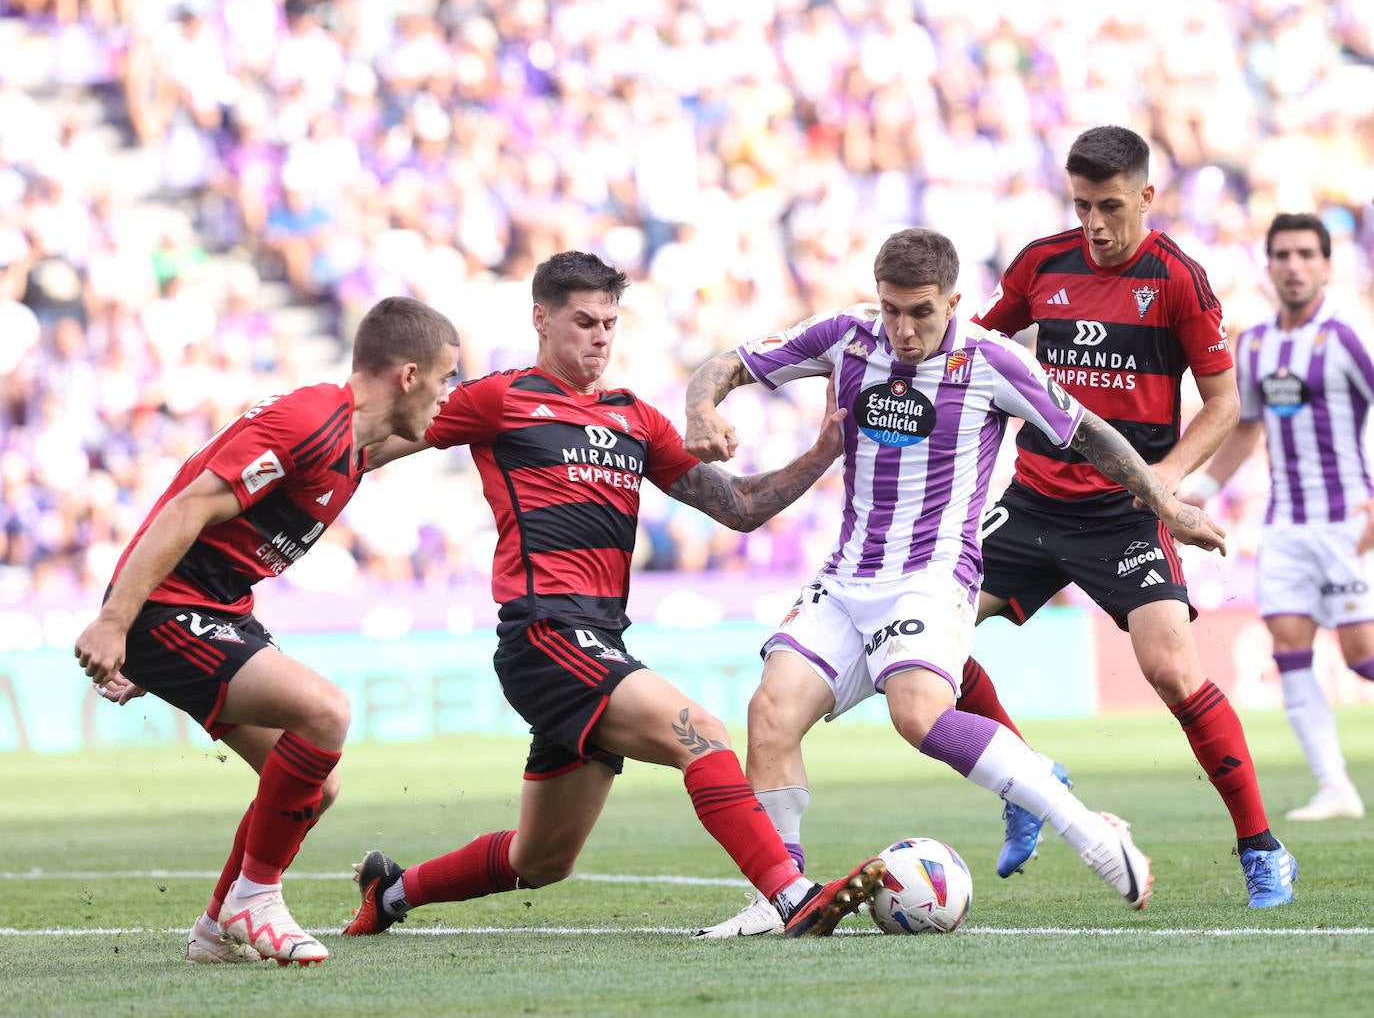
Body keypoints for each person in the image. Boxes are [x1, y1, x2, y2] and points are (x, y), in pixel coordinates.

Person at [684, 225, 1227, 938]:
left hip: (934, 575)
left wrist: (1166, 505)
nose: (903, 331)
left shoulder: (993, 359)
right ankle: (780, 896)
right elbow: (726, 363)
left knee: (917, 712)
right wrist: (701, 408)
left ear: (955, 302)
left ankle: (1090, 830)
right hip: (849, 574)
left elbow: (1089, 432)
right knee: (770, 714)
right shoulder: (847, 336)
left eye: (921, 312)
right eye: (891, 310)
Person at [339, 250, 884, 942]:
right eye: (583, 321)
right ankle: (793, 896)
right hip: (545, 634)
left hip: (598, 639)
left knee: (541, 859)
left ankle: (390, 891)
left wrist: (822, 451)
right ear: (541, 318)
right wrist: (311, 474)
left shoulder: (635, 418)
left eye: (609, 323)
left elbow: (740, 506)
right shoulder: (501, 398)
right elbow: (373, 442)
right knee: (703, 733)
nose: (599, 336)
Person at [952, 126, 1297, 908]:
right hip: (1034, 500)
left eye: (1110, 206)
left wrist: (1160, 489)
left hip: (1124, 514)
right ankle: (1029, 779)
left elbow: (1224, 404)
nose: (1096, 224)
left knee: (1173, 671)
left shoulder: (1179, 279)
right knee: (926, 639)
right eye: (1081, 206)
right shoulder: (1043, 263)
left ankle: (1261, 846)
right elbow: (972, 353)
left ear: (1146, 195)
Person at [73, 296, 464, 965]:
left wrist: (539, 401)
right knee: (326, 710)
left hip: (214, 611)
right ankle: (256, 898)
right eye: (444, 378)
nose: (447, 393)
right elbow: (188, 504)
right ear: (408, 375)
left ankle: (217, 927)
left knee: (317, 783)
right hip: (171, 606)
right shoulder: (311, 420)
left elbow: (439, 429)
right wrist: (119, 619)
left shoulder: (353, 446)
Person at [1186, 211, 1374, 821]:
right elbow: (1246, 429)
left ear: (1326, 264)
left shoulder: (1349, 336)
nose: (1293, 266)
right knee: (1290, 648)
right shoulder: (1258, 342)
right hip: (1286, 526)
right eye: (1282, 255)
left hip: (1349, 519)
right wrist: (1203, 487)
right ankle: (1334, 787)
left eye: (1305, 255)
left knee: (1362, 654)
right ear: (1267, 266)